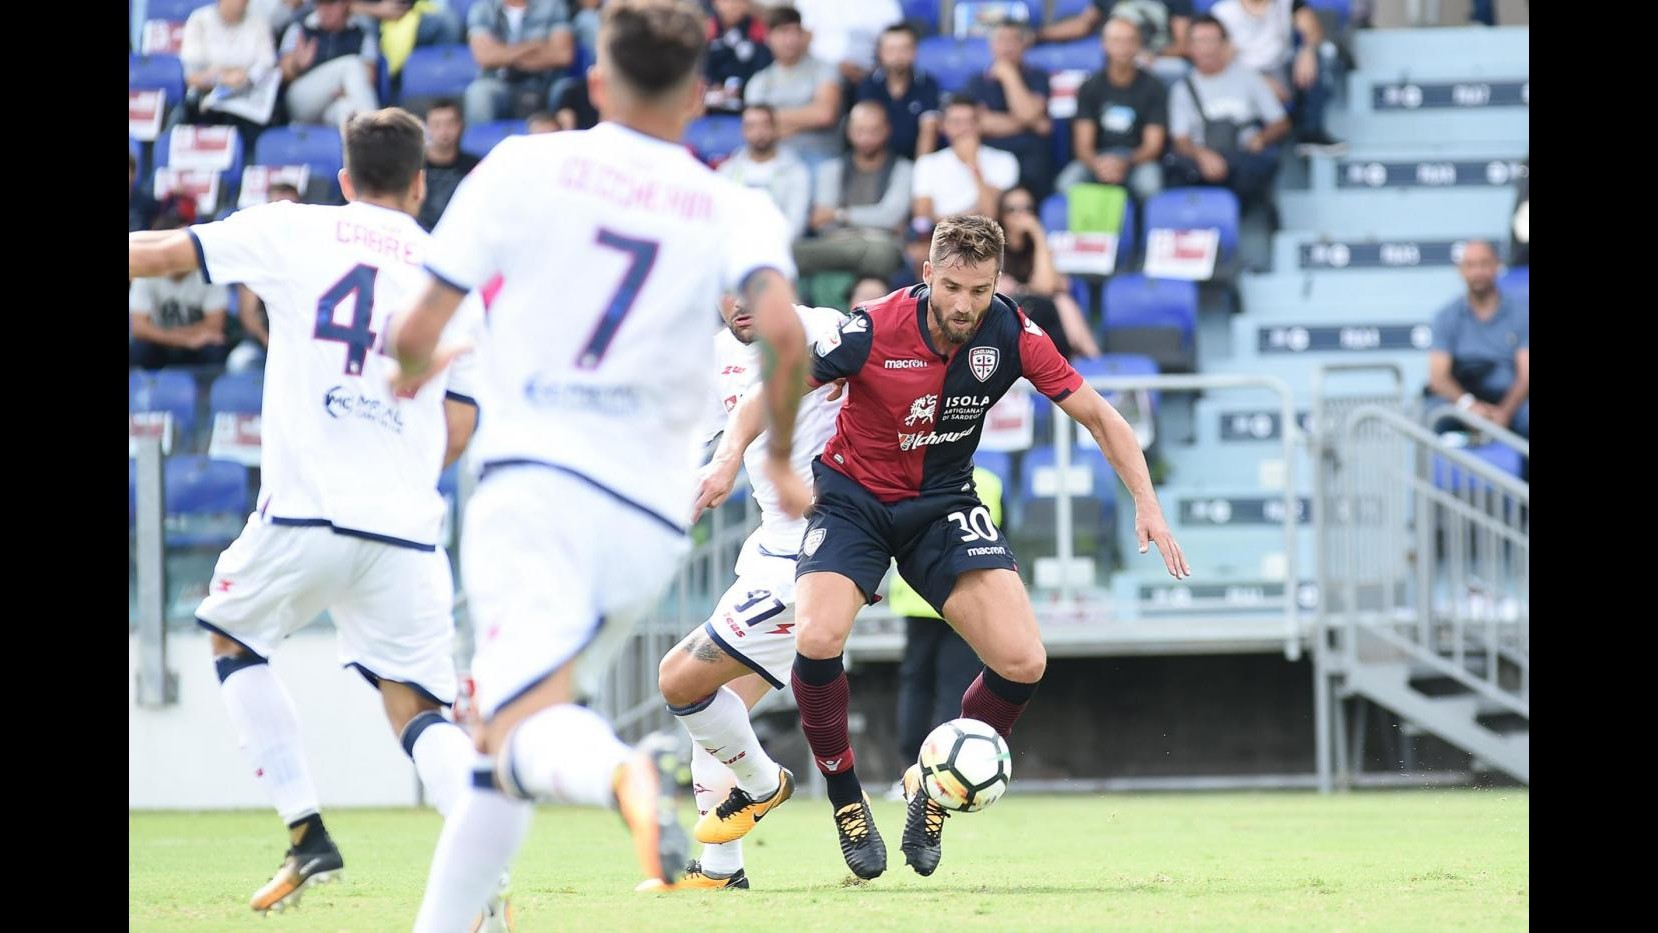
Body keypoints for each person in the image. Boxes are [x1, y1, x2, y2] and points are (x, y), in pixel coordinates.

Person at [387, 3, 811, 927]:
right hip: (648, 520)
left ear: (595, 82)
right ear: (700, 96)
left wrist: (411, 367)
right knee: (504, 736)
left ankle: (626, 770)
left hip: (536, 484)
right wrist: (776, 459)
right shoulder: (736, 203)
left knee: (518, 727)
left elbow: (417, 330)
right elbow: (783, 330)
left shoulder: (519, 166)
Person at [126, 108, 502, 925]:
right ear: (418, 184)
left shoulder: (293, 228)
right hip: (405, 528)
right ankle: (478, 853)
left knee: (231, 634)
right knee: (417, 705)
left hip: (306, 511)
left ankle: (306, 829)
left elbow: (158, 254)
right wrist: (399, 471)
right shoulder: (451, 274)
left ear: (342, 179)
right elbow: (463, 422)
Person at [786, 214, 1189, 880]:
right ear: (928, 276)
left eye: (979, 289)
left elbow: (1100, 415)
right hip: (855, 502)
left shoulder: (1013, 332)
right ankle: (846, 798)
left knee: (1023, 659)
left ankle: (933, 787)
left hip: (942, 505)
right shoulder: (873, 326)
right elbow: (777, 388)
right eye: (952, 287)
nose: (965, 304)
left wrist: (1148, 503)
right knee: (817, 635)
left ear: (997, 282)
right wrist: (727, 463)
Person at [635, 295, 848, 892]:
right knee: (717, 710)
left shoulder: (828, 331)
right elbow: (678, 444)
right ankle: (722, 870)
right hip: (769, 549)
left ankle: (764, 785)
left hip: (824, 553)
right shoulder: (716, 358)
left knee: (682, 679)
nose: (741, 300)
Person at [885, 464, 1003, 801]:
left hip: (916, 595)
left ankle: (909, 772)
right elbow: (991, 540)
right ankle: (947, 774)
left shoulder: (907, 475)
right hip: (962, 596)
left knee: (916, 684)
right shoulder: (989, 482)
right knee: (955, 685)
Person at [1426, 239, 1528, 439]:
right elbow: (1438, 377)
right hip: (1462, 398)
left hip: (1510, 400)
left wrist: (1505, 412)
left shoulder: (1521, 313)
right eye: (1470, 265)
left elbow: (1526, 375)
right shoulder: (1447, 316)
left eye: (1484, 264)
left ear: (1497, 266)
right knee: (1434, 414)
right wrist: (1469, 406)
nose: (1477, 272)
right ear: (1460, 271)